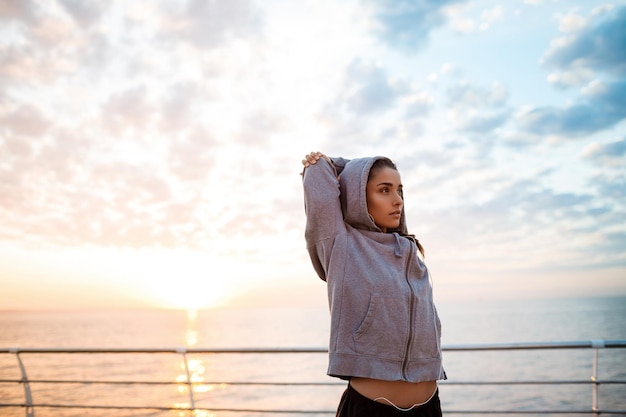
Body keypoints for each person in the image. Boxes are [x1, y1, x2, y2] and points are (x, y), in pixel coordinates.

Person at [301, 151, 446, 417]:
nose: (397, 201)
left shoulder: (409, 250)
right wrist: (344, 167)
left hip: (429, 406)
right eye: (384, 190)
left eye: (400, 191)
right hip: (371, 410)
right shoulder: (341, 245)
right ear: (358, 195)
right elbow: (320, 183)